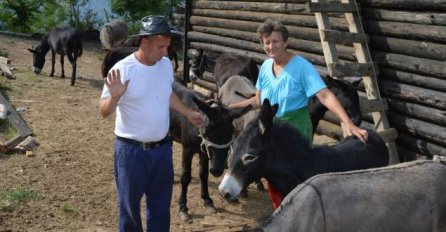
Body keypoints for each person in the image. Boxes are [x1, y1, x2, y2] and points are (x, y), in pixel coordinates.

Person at [228, 19, 368, 208]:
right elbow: (258, 100)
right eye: (266, 42)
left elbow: (325, 95)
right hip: (272, 130)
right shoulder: (266, 68)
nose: (271, 46)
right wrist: (230, 108)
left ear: (286, 42)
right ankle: (282, 216)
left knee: (296, 181)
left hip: (295, 129)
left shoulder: (302, 66)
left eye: (275, 41)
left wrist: (348, 123)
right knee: (274, 175)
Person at [99, 15, 203, 232]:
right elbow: (104, 111)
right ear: (144, 42)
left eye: (167, 46)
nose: (165, 52)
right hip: (130, 153)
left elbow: (166, 93)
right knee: (129, 209)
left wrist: (187, 112)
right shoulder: (122, 69)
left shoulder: (164, 65)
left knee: (160, 208)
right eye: (160, 46)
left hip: (162, 151)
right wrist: (115, 96)